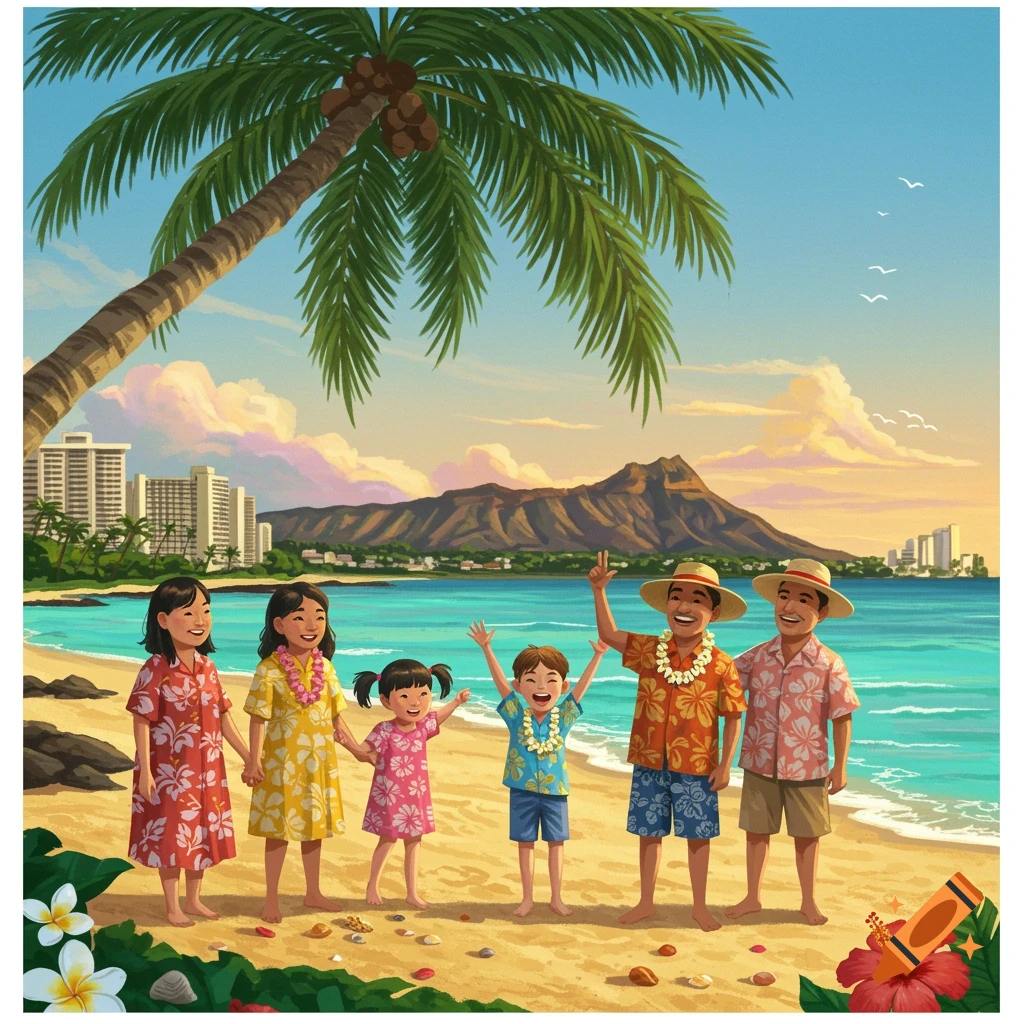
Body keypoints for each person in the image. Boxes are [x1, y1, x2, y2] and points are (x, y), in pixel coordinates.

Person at [588, 553, 747, 930]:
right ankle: (645, 902)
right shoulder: (649, 651)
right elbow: (610, 635)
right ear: (667, 604)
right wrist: (599, 592)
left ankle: (699, 906)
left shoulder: (722, 663)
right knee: (648, 833)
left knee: (698, 837)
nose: (685, 606)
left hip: (697, 763)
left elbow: (734, 714)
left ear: (715, 612)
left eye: (697, 599)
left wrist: (725, 765)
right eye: (677, 597)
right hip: (648, 757)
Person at [723, 558, 860, 927]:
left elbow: (842, 716)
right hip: (758, 758)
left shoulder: (830, 663)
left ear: (822, 612)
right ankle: (752, 896)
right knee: (756, 831)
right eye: (784, 597)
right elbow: (722, 681)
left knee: (808, 836)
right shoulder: (756, 657)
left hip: (808, 765)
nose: (790, 607)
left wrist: (841, 764)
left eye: (803, 600)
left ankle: (809, 902)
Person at [126, 578, 252, 927]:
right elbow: (142, 721)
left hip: (208, 768)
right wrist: (146, 773)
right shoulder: (155, 669)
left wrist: (246, 755)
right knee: (172, 834)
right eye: (190, 612)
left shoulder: (208, 668)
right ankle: (172, 906)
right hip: (168, 770)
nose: (200, 620)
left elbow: (223, 715)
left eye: (206, 611)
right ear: (163, 620)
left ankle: (194, 900)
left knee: (201, 833)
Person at [468, 621, 609, 917]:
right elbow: (501, 687)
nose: (541, 687)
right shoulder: (516, 715)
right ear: (520, 686)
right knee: (525, 844)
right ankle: (528, 897)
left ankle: (556, 898)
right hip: (521, 790)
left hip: (556, 791)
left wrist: (598, 656)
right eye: (531, 680)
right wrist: (487, 649)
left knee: (557, 844)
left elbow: (581, 690)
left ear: (563, 686)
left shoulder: (565, 715)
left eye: (550, 680)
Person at [244, 582, 362, 923]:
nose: (312, 626)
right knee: (278, 832)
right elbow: (257, 720)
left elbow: (337, 722)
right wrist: (253, 762)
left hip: (319, 764)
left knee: (314, 830)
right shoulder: (269, 669)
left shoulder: (326, 668)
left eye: (319, 617)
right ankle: (270, 899)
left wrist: (358, 751)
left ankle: (313, 892)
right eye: (300, 617)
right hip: (280, 764)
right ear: (280, 625)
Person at [340, 660, 470, 908]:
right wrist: (344, 742)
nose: (416, 702)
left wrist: (456, 702)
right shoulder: (385, 729)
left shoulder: (423, 726)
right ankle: (373, 885)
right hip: (389, 795)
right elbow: (363, 751)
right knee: (387, 840)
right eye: (405, 695)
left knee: (414, 842)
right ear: (387, 700)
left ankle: (412, 892)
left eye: (423, 694)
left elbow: (438, 716)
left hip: (416, 795)